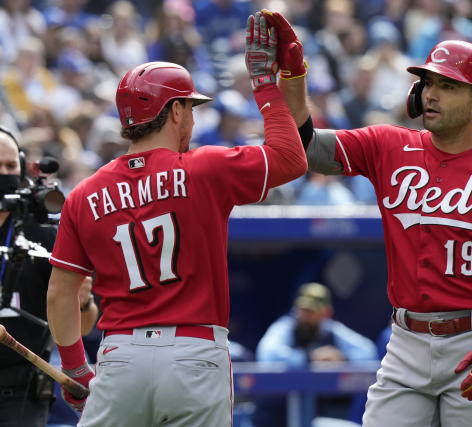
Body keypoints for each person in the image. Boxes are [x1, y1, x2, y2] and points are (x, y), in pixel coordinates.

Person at [262, 10, 472, 426]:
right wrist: (294, 83)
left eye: (447, 86)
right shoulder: (389, 144)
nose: (431, 94)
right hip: (407, 340)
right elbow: (306, 148)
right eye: (428, 82)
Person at [46, 11, 306, 427]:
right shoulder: (204, 168)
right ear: (176, 111)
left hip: (120, 359)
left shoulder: (84, 194)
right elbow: (292, 159)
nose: (194, 117)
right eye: (190, 107)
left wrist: (77, 370)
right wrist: (266, 89)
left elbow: (61, 293)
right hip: (194, 355)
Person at [0, 127, 97, 427]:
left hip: (23, 393)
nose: (4, 174)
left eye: (10, 166)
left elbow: (83, 327)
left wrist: (82, 302)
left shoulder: (43, 232)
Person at [253, 282, 377, 426]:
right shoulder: (284, 327)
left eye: (311, 311)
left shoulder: (331, 330)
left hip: (310, 417)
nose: (304, 316)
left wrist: (341, 357)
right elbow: (267, 356)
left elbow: (369, 352)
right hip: (272, 418)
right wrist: (309, 357)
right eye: (302, 310)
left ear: (326, 313)